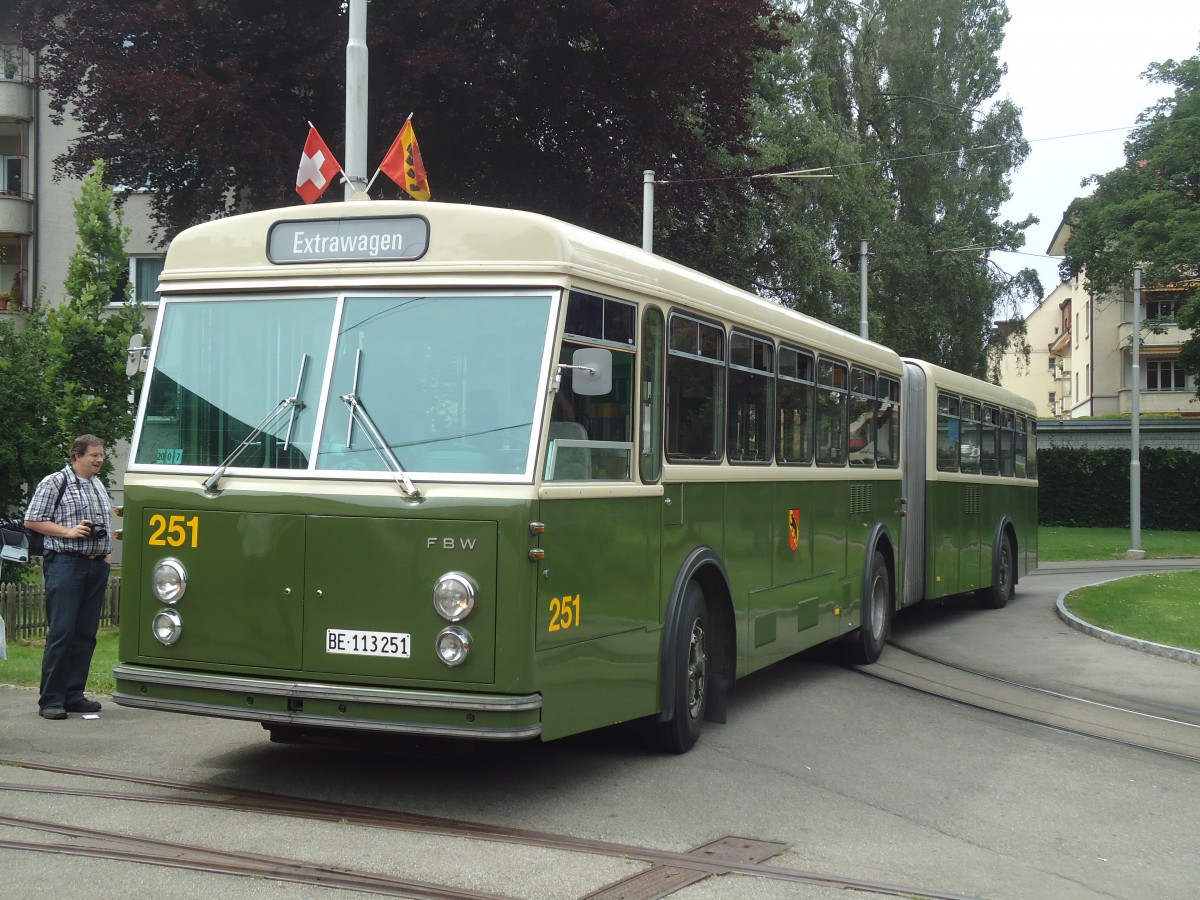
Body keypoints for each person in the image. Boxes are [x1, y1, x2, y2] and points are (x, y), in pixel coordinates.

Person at [24, 435, 114, 721]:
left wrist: (106, 554)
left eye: (102, 455)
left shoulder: (98, 484)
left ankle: (74, 695)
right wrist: (69, 532)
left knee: (86, 634)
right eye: (94, 455)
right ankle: (51, 700)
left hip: (95, 566)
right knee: (62, 632)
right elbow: (32, 519)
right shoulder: (55, 482)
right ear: (77, 455)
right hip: (66, 564)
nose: (99, 460)